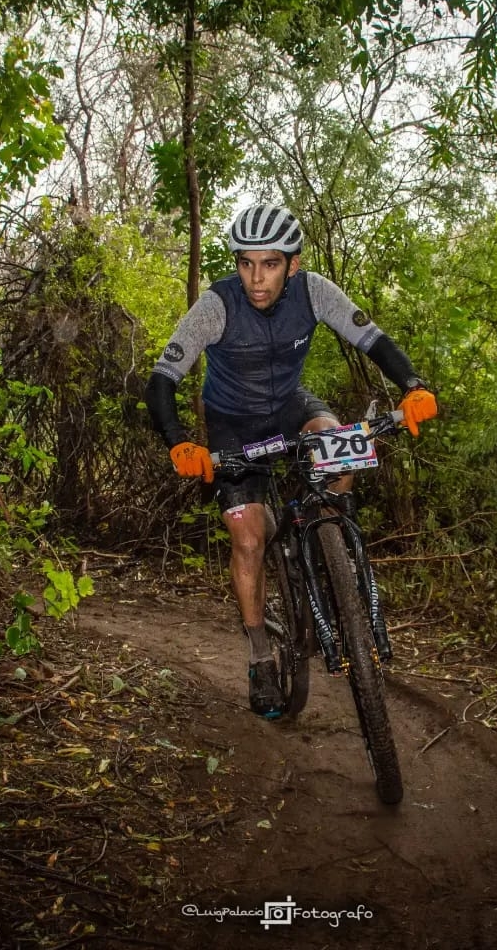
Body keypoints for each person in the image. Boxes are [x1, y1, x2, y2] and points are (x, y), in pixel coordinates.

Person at [144, 204, 437, 717]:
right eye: (246, 263)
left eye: (270, 264)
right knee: (248, 539)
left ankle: (324, 547)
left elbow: (374, 341)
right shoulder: (217, 305)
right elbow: (161, 381)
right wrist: (179, 443)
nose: (256, 279)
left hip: (289, 407)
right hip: (234, 423)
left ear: (293, 264)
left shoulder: (315, 291)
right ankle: (260, 654)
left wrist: (413, 386)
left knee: (340, 447)